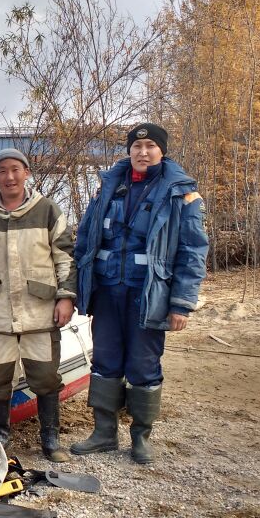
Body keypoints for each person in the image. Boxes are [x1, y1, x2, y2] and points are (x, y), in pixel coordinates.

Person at [69, 123, 208, 464]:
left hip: (149, 294)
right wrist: (75, 288)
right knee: (104, 361)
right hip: (107, 290)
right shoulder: (107, 187)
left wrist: (181, 303)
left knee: (144, 365)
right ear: (128, 150)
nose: (142, 152)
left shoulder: (182, 193)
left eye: (150, 146)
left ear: (162, 151)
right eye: (137, 146)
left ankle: (141, 437)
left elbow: (193, 251)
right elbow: (85, 240)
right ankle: (104, 433)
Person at [0, 149, 77, 462]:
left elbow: (64, 257)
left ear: (26, 173)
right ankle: (0, 435)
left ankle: (50, 438)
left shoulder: (47, 210)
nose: (9, 177)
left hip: (40, 310)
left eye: (15, 170)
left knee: (46, 376)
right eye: (2, 171)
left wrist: (65, 297)